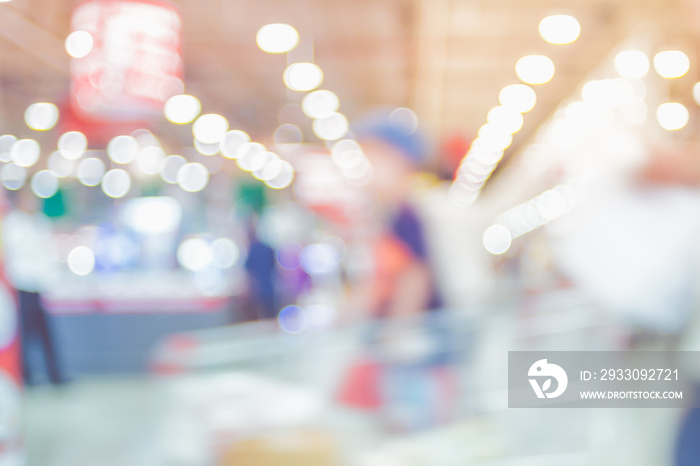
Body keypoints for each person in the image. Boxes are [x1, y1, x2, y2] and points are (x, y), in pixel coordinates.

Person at [2, 188, 64, 385]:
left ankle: (55, 376)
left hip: (39, 285)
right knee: (25, 335)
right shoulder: (12, 224)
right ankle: (26, 377)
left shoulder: (40, 222)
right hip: (21, 285)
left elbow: (46, 254)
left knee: (46, 334)